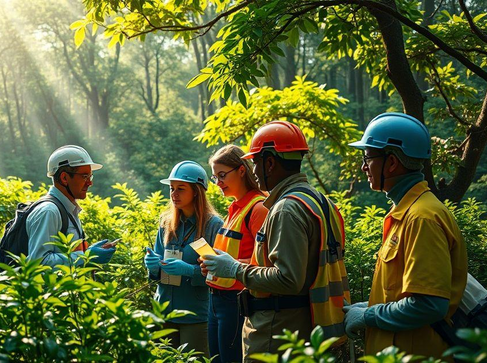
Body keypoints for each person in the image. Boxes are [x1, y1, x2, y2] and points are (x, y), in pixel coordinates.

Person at [200, 121, 350, 360]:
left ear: (270, 163)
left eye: (255, 163)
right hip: (315, 327)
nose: (253, 171)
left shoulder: (286, 209)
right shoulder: (321, 202)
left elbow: (288, 279)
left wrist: (234, 269)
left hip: (280, 333)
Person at [343, 113, 467, 359]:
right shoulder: (407, 211)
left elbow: (429, 305)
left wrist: (369, 316)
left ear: (391, 163)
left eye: (367, 157)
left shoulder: (422, 218)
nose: (363, 166)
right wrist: (371, 307)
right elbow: (401, 293)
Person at [143, 161, 223, 356]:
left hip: (195, 315)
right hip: (163, 312)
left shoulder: (213, 226)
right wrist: (153, 267)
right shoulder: (166, 223)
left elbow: (219, 274)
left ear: (196, 191)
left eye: (181, 188)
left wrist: (189, 271)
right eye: (171, 189)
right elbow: (157, 267)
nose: (174, 194)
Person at [206, 145, 269, 362]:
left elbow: (267, 265)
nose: (218, 183)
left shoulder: (258, 208)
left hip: (238, 301)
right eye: (215, 177)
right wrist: (211, 264)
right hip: (216, 301)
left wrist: (229, 267)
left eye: (222, 175)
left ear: (242, 170)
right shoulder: (235, 207)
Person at [26, 145, 116, 266]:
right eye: (85, 177)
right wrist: (86, 257)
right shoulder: (49, 211)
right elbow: (38, 264)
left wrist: (87, 253)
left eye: (90, 176)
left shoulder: (67, 210)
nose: (90, 182)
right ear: (64, 178)